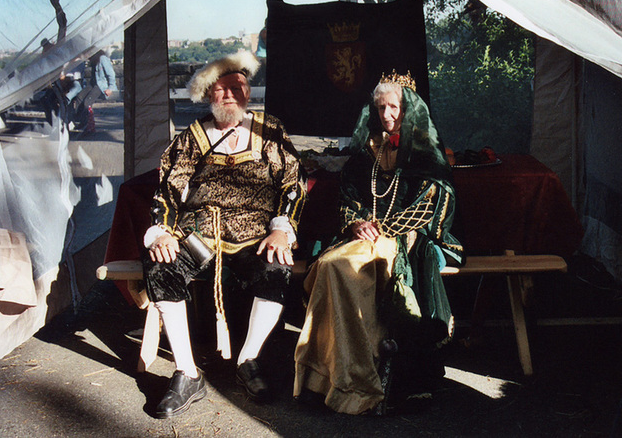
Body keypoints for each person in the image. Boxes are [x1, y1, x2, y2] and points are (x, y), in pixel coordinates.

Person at [141, 51, 306, 419]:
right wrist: (163, 232)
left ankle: (248, 361)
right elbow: (167, 190)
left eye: (238, 87)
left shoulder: (269, 130)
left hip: (254, 234)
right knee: (160, 267)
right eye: (221, 90)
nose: (230, 95)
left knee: (276, 270)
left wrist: (282, 229)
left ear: (248, 92)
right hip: (200, 232)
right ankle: (187, 372)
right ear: (208, 95)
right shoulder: (193, 136)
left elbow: (294, 185)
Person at [293, 71, 464, 415]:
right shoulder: (365, 154)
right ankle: (322, 378)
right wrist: (355, 223)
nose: (387, 115)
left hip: (401, 240)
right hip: (362, 239)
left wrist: (383, 229)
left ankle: (358, 379)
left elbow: (431, 206)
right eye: (381, 107)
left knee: (343, 270)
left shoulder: (426, 153)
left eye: (394, 107)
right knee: (329, 266)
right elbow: (348, 198)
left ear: (409, 108)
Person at [74, 49, 117, 132]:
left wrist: (110, 88)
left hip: (101, 86)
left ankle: (87, 124)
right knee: (79, 97)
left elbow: (111, 74)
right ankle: (80, 121)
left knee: (87, 102)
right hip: (93, 83)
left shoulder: (102, 59)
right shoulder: (94, 61)